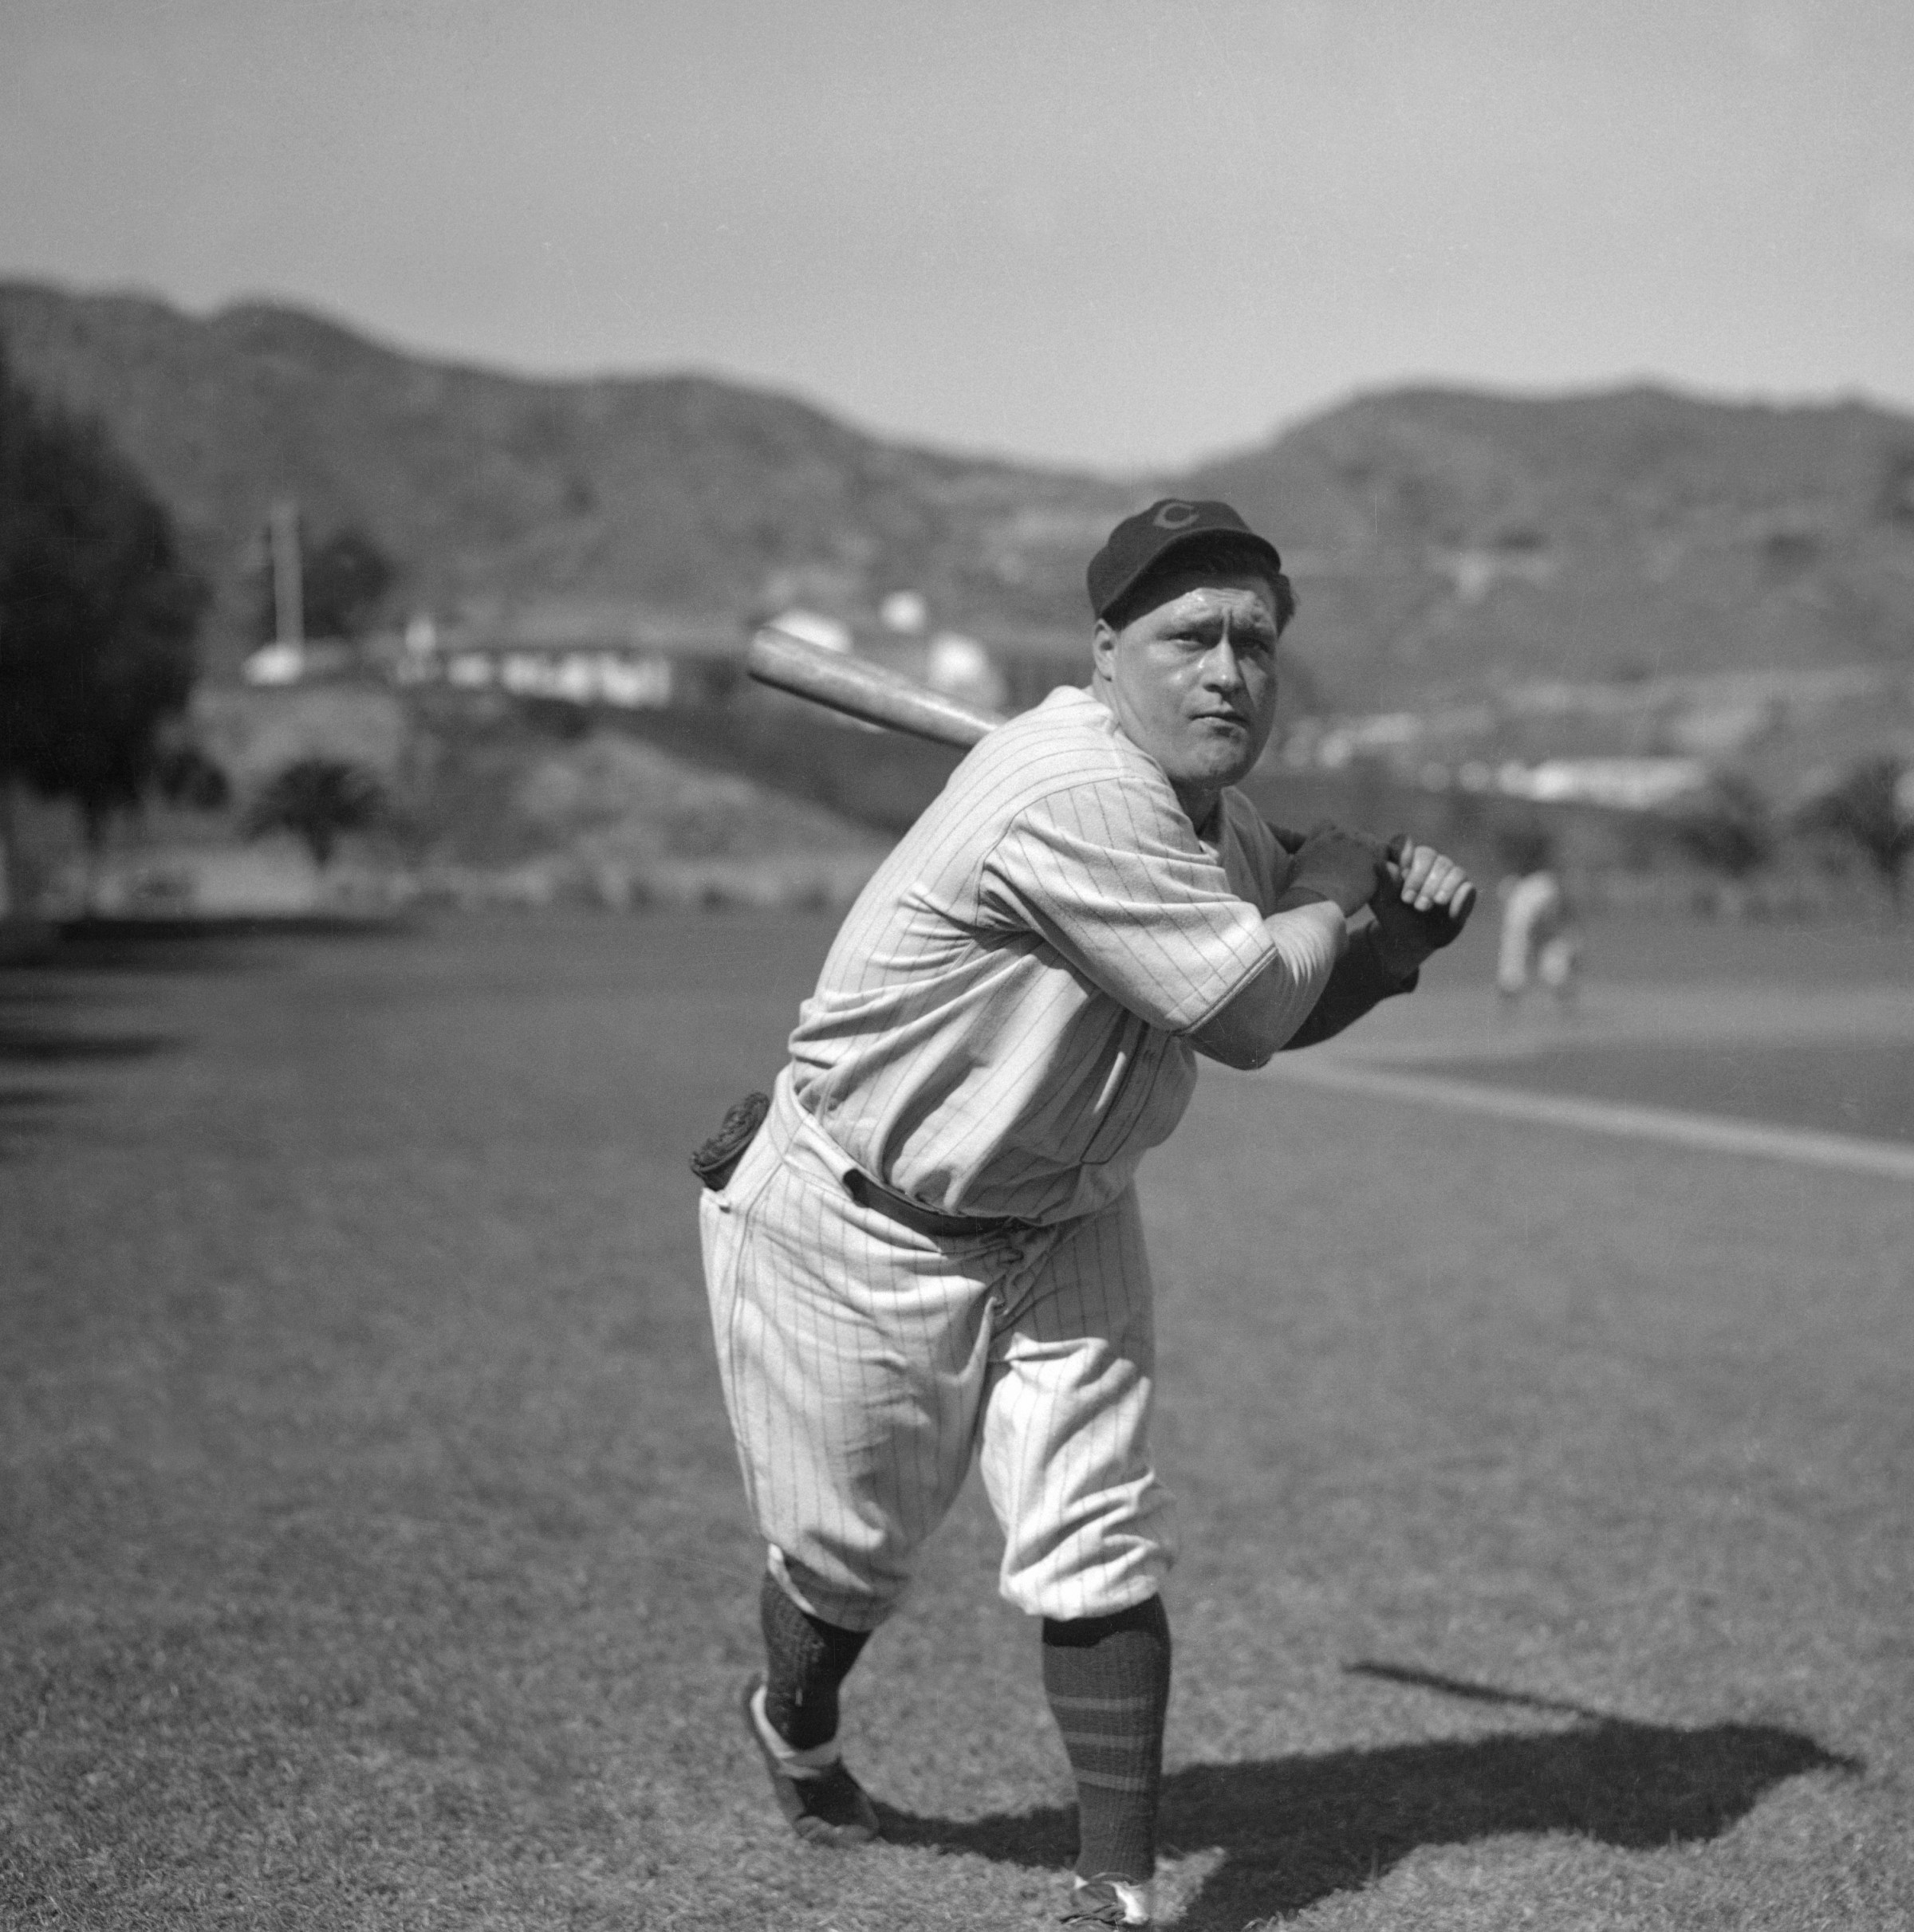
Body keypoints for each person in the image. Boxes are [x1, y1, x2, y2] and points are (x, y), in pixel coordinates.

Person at [695, 499, 1472, 1930]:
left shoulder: (1204, 816)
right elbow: (1241, 1005)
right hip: (857, 1216)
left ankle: (1113, 1893)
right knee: (846, 1558)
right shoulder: (1070, 793)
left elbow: (1278, 999)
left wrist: (1389, 942)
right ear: (1107, 652)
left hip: (1061, 1214)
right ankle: (792, 1720)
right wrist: (1329, 886)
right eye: (1191, 638)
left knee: (1098, 1535)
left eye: (1255, 642)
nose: (1229, 670)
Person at [1495, 864, 1581, 1016]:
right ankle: (1508, 1009)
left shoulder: (1543, 889)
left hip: (1538, 907)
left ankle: (1566, 1007)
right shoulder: (1536, 893)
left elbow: (1555, 915)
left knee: (1551, 962)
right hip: (1532, 911)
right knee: (1516, 961)